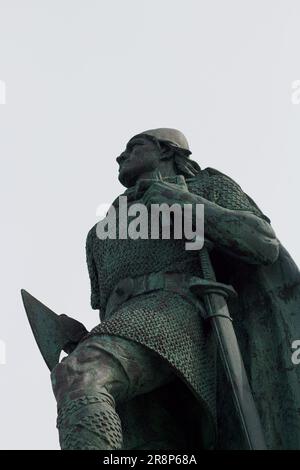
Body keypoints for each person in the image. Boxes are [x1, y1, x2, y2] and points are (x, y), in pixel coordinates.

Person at [50, 128, 300, 450]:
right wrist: (81, 338)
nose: (120, 156)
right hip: (133, 328)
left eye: (134, 147)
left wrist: (181, 202)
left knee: (79, 375)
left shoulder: (205, 186)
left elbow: (262, 244)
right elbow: (109, 309)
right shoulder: (99, 234)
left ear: (167, 151)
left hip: (181, 313)